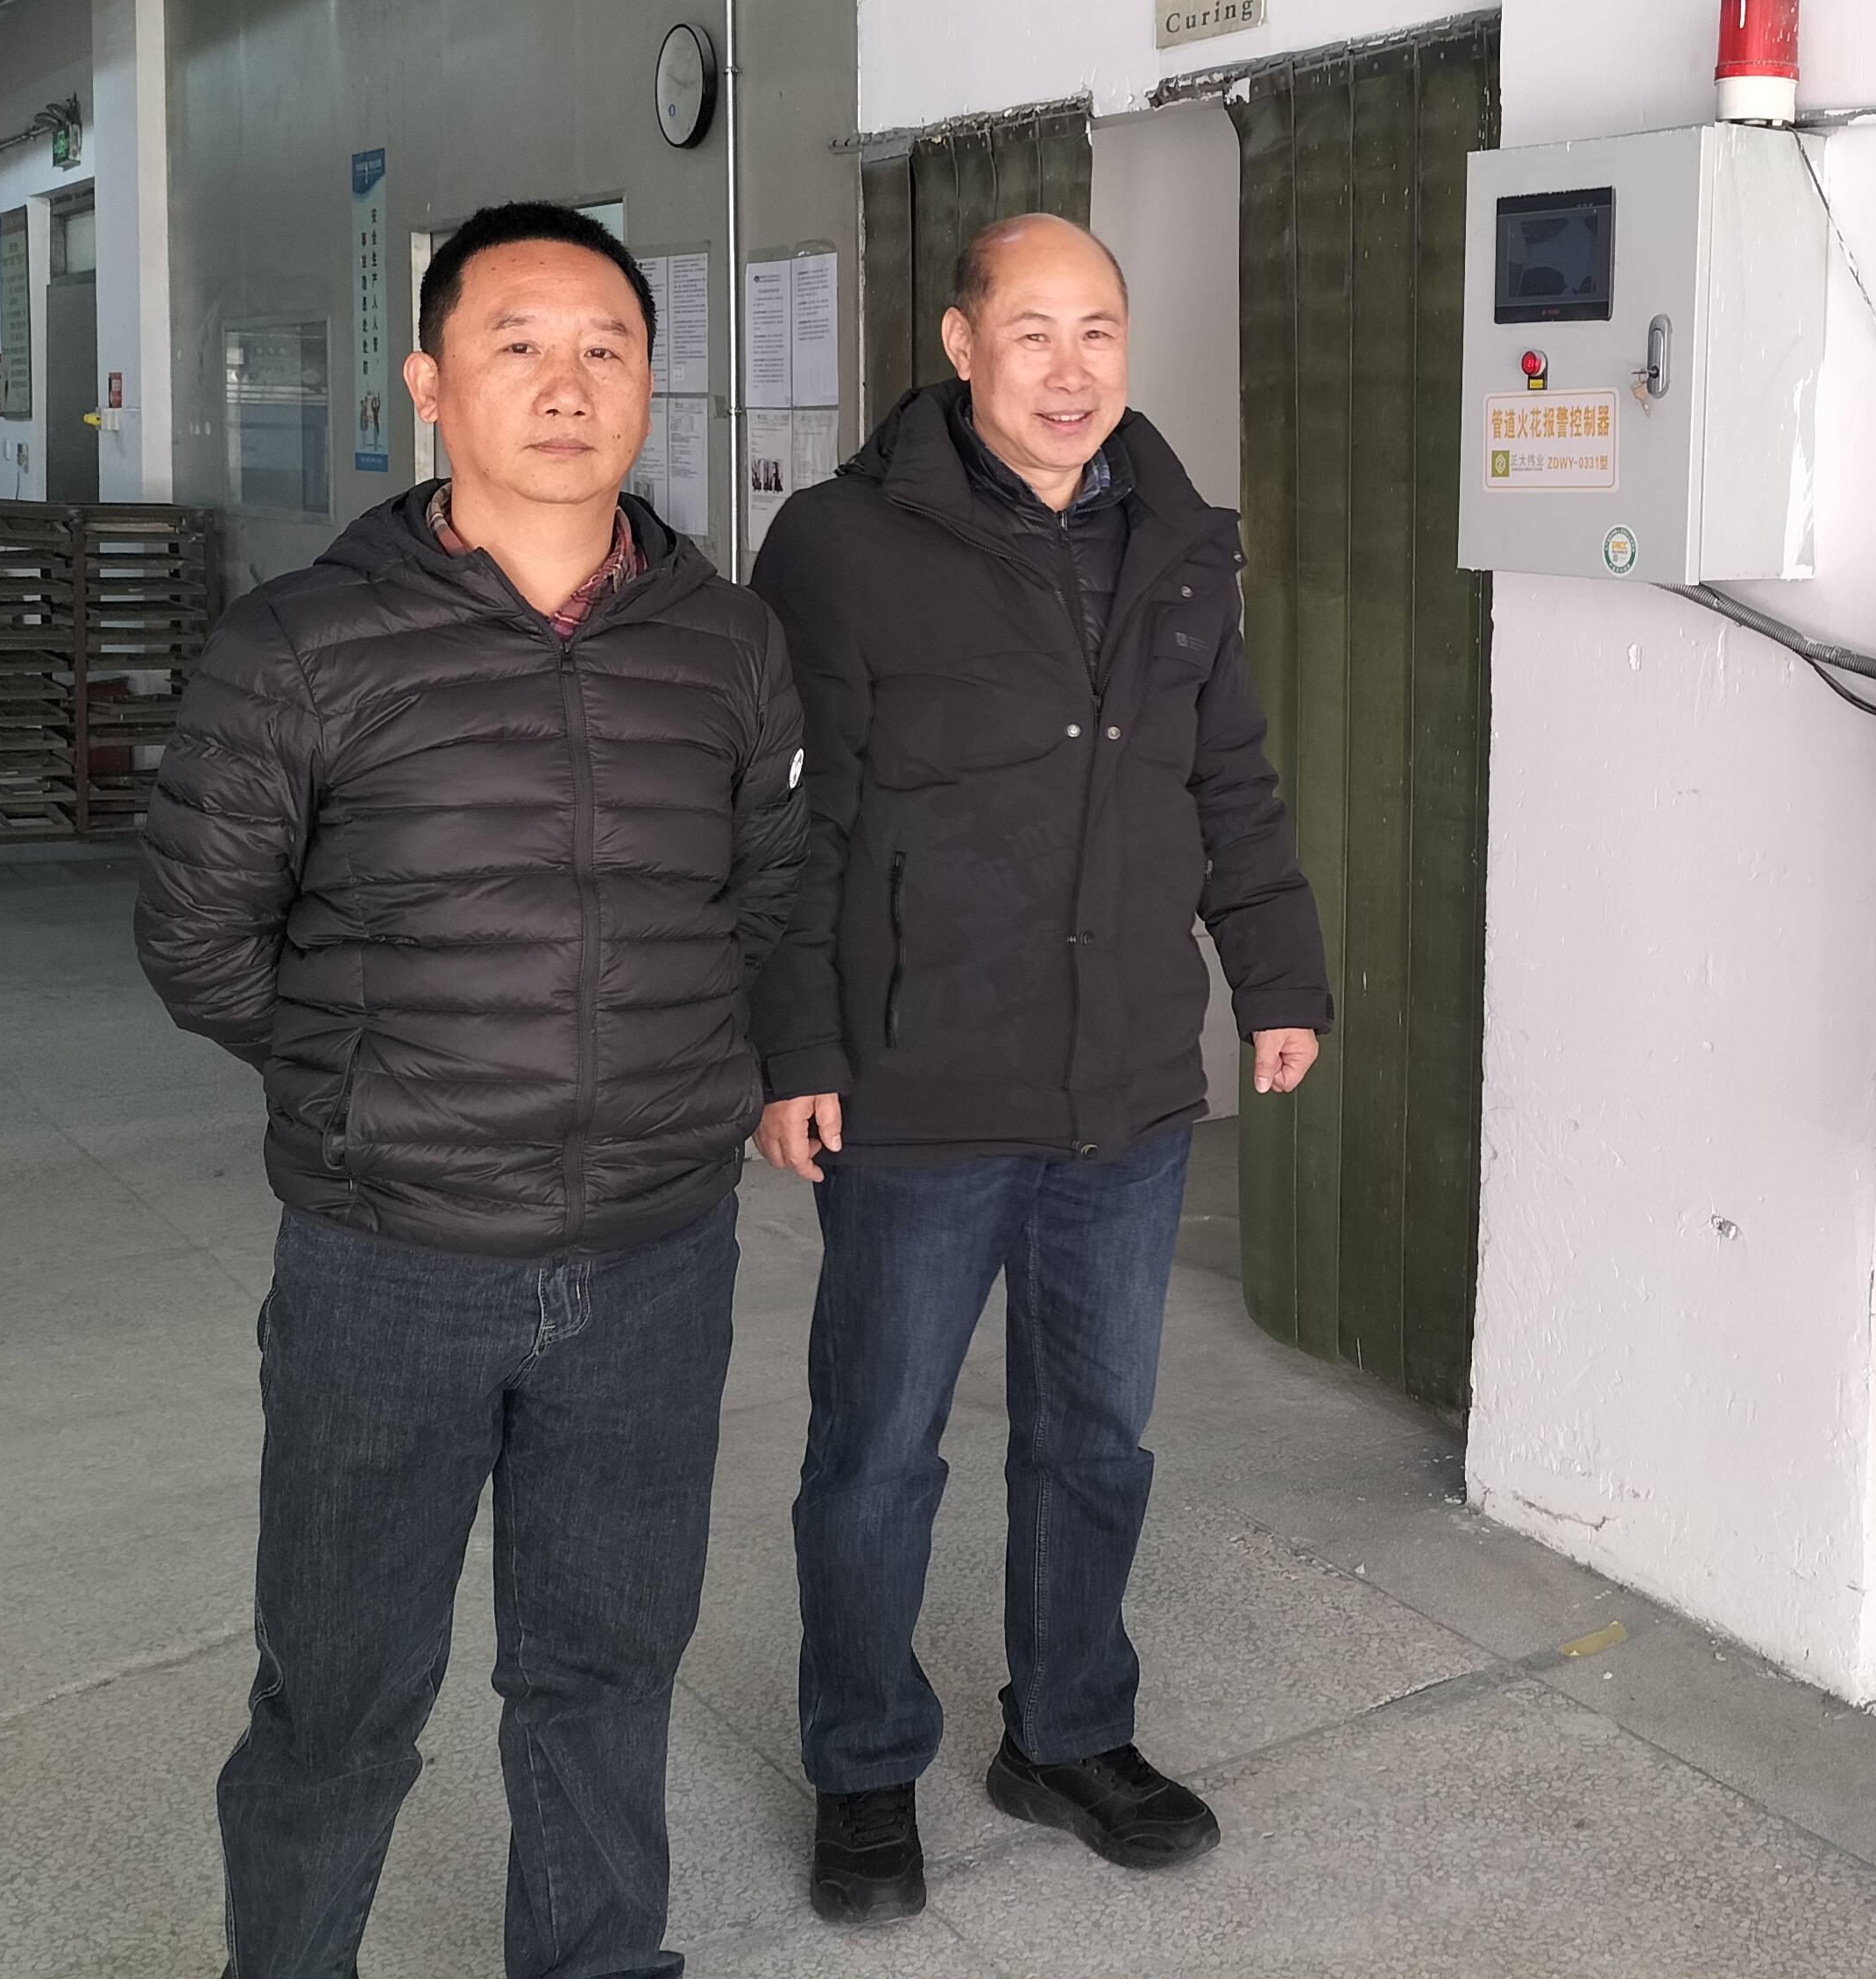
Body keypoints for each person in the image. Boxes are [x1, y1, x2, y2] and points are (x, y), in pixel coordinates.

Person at [136, 201, 810, 1979]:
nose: (567, 385)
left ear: (650, 385)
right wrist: (373, 1081)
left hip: (655, 1256)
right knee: (340, 1691)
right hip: (392, 1265)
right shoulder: (303, 644)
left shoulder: (728, 642)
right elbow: (197, 936)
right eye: (519, 346)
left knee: (608, 1670)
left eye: (604, 349)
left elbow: (758, 898)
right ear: (429, 384)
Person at [748, 212, 1329, 1925]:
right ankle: (864, 1766)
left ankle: (1068, 1733)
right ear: (959, 344)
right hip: (916, 1083)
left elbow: (1229, 781)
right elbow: (790, 822)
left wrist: (1276, 977)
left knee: (1094, 1438)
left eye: (1098, 334)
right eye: (1031, 333)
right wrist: (792, 1048)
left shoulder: (1182, 541)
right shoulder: (840, 546)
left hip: (1124, 1085)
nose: (1069, 371)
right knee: (878, 1452)